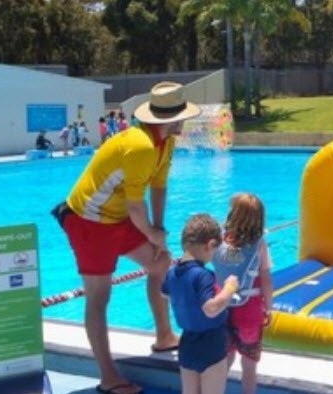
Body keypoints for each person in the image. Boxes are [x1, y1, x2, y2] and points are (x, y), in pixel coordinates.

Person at [52, 82, 201, 394]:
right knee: (99, 296)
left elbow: (158, 188)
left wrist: (158, 233)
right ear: (170, 120)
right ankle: (108, 377)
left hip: (118, 217)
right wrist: (150, 232)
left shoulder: (165, 142)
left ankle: (164, 337)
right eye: (182, 117)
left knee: (160, 263)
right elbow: (136, 204)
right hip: (89, 221)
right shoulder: (141, 146)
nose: (185, 122)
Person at [162, 214, 239, 394]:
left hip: (187, 344)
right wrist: (229, 288)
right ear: (210, 245)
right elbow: (211, 309)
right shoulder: (202, 275)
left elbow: (164, 293)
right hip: (211, 344)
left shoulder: (172, 272)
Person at [212, 193, 274, 394]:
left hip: (222, 308)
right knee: (249, 367)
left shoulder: (217, 241)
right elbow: (265, 278)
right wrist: (269, 308)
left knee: (224, 361)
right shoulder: (259, 245)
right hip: (249, 312)